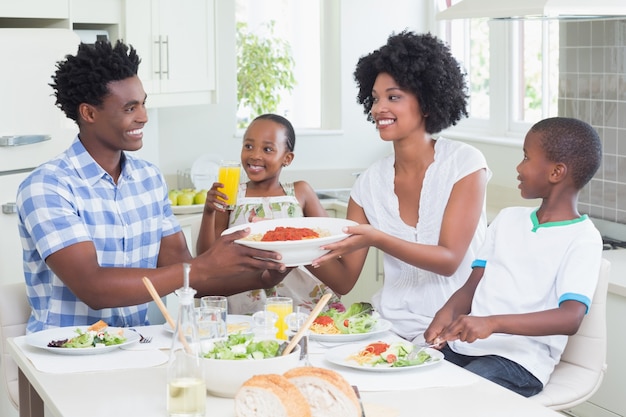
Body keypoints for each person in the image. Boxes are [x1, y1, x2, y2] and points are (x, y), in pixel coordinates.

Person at [16, 40, 289, 333]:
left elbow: (187, 276)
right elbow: (93, 288)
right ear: (89, 113)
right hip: (63, 355)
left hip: (136, 345)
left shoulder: (148, 179)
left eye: (143, 103)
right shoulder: (47, 187)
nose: (143, 116)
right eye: (130, 108)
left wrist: (264, 276)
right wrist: (203, 265)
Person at [309, 31, 491, 342]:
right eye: (376, 98)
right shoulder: (368, 184)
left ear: (427, 103)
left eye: (393, 97)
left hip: (458, 331)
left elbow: (448, 261)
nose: (379, 108)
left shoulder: (464, 164)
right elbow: (344, 280)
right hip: (388, 329)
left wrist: (378, 238)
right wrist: (290, 252)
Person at [423, 117, 603, 397]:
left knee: (458, 396)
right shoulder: (507, 219)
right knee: (412, 377)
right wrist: (447, 313)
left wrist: (491, 323)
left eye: (526, 158)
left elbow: (570, 318)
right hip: (466, 348)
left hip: (519, 362)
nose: (519, 168)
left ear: (556, 172)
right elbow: (472, 287)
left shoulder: (583, 239)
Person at [196, 113, 344, 313]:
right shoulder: (231, 195)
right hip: (247, 302)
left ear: (287, 158)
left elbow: (331, 244)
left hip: (300, 303)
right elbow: (206, 259)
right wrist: (208, 212)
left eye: (267, 149)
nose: (255, 155)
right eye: (248, 146)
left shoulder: (300, 192)